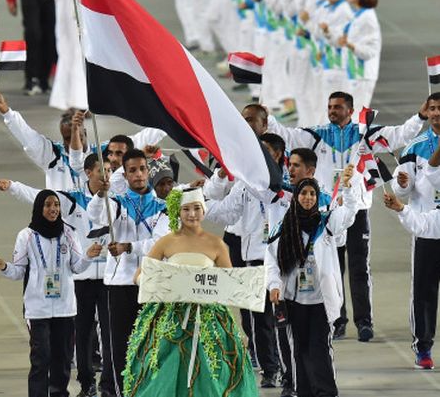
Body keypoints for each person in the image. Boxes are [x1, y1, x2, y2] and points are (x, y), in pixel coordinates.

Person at [268, 91, 427, 341]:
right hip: (326, 212)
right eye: (330, 106)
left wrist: (419, 117)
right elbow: (287, 136)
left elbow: (400, 134)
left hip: (357, 209)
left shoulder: (365, 134)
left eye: (338, 107)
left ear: (350, 110)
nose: (332, 110)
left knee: (359, 267)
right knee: (332, 266)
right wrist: (268, 117)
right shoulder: (318, 134)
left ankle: (364, 321)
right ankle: (337, 319)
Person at [0, 152, 113, 397]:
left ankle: (59, 393)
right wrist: (3, 266)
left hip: (65, 307)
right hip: (37, 308)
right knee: (41, 357)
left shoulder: (69, 234)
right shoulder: (26, 236)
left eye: (56, 205)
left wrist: (89, 255)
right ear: (40, 208)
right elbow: (18, 272)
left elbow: (77, 267)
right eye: (48, 205)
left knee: (62, 358)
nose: (53, 209)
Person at [124, 187, 258, 396]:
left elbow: (229, 282)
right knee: (165, 363)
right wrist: (159, 285)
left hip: (208, 313)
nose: (192, 214)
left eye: (196, 208)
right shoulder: (166, 241)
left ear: (204, 211)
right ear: (178, 211)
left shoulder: (216, 243)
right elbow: (140, 275)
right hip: (170, 313)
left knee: (211, 364)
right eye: (186, 209)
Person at [202, 133, 287, 389]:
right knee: (256, 320)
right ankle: (269, 369)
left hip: (281, 263)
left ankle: (289, 369)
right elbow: (226, 211)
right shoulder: (244, 183)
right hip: (253, 261)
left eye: (266, 153)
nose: (260, 158)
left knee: (282, 320)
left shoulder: (287, 184)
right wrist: (195, 204)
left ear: (278, 156)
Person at [266, 167, 358, 397]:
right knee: (298, 350)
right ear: (296, 197)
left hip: (320, 301)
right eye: (303, 193)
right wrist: (274, 285)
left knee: (320, 348)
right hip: (293, 302)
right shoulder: (284, 228)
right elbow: (271, 261)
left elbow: (349, 213)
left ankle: (326, 392)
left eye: (312, 194)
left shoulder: (326, 224)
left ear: (317, 197)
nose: (308, 198)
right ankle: (303, 390)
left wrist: (347, 186)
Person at [87, 149, 170, 395]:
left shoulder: (162, 207)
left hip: (151, 283)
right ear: (125, 174)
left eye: (142, 169)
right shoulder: (116, 202)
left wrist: (128, 247)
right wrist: (101, 193)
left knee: (152, 343)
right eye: (132, 170)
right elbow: (95, 215)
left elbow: (159, 244)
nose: (138, 174)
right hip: (120, 284)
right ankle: (123, 391)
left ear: (148, 171)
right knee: (120, 346)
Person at [0, 89, 164, 189]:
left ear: (85, 132)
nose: (72, 141)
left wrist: (173, 118)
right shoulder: (51, 154)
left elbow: (144, 138)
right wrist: (6, 111)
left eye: (78, 135)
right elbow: (26, 135)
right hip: (63, 224)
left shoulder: (104, 152)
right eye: (67, 137)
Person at [390, 94, 440, 370]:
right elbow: (403, 190)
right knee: (423, 291)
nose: (436, 113)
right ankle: (423, 347)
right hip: (426, 230)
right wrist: (401, 184)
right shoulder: (415, 147)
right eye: (432, 109)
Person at [384, 188, 440, 370]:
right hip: (427, 237)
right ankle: (423, 348)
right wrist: (401, 208)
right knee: (423, 292)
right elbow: (424, 224)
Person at [32, 0, 88, 111]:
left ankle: (85, 102)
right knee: (69, 57)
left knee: (86, 58)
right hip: (67, 26)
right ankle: (72, 101)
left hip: (90, 24)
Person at [337, 0, 381, 109]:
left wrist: (351, 45)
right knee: (350, 118)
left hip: (362, 75)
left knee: (356, 118)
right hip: (354, 73)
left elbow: (372, 50)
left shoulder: (368, 18)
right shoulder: (358, 15)